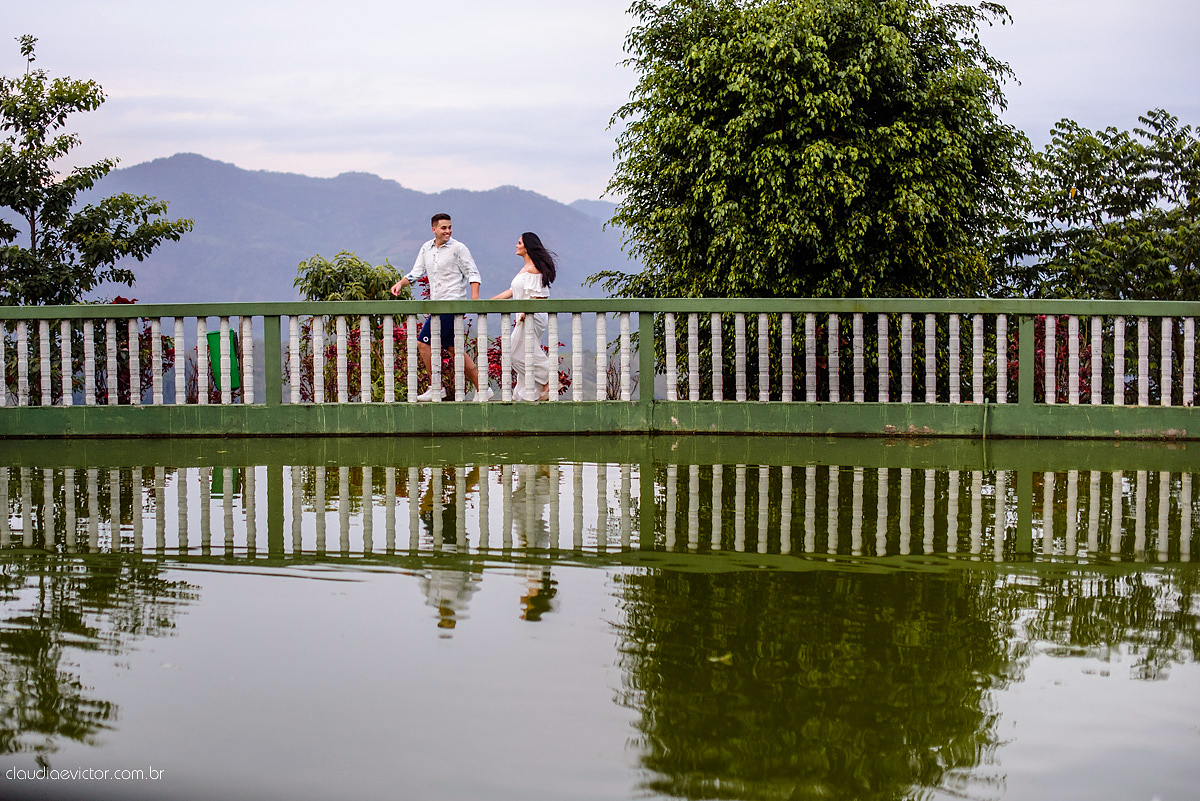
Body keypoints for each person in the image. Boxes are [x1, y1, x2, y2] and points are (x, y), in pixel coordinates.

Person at [390, 213, 492, 401]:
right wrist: (400, 284)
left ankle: (436, 387)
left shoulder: (458, 248)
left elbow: (473, 273)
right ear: (434, 229)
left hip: (452, 305)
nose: (448, 231)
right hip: (437, 306)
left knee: (423, 343)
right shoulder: (426, 248)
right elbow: (417, 272)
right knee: (454, 349)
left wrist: (475, 298)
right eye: (443, 228)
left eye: (450, 227)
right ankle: (482, 387)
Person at [490, 232, 556, 401]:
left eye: (519, 242)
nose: (516, 245)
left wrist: (526, 312)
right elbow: (513, 291)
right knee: (523, 352)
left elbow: (541, 296)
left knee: (513, 352)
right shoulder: (524, 269)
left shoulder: (534, 269)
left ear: (527, 247)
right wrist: (491, 301)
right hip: (524, 316)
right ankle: (531, 392)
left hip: (531, 317)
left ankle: (550, 377)